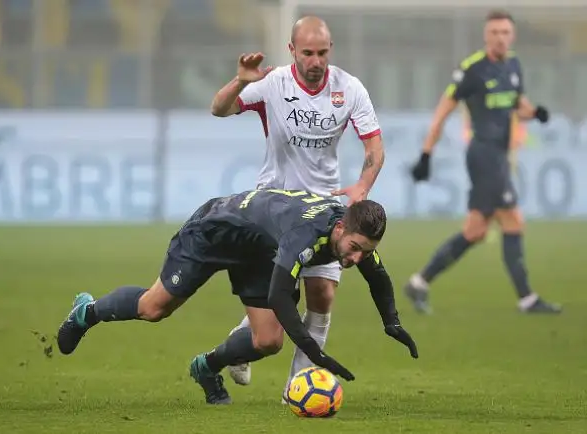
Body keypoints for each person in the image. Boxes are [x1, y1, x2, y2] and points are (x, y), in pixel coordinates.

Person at [56, 188, 418, 404]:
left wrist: (392, 323)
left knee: (268, 341)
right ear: (340, 229)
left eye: (365, 251)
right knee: (154, 308)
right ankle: (87, 311)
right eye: (354, 248)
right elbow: (279, 297)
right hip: (214, 232)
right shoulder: (305, 235)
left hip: (258, 251)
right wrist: (315, 351)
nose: (356, 258)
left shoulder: (349, 231)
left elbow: (378, 275)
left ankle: (206, 367)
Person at [210, 15, 385, 397]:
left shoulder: (349, 88)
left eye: (322, 52)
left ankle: (300, 385)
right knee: (275, 304)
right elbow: (218, 109)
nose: (316, 60)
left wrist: (363, 185)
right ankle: (240, 344)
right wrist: (240, 80)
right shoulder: (273, 83)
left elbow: (374, 145)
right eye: (307, 53)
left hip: (324, 208)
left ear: (330, 50)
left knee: (322, 294)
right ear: (292, 50)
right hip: (273, 209)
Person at [405, 9, 561, 315]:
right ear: (486, 36)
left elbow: (518, 104)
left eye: (505, 32)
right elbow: (441, 113)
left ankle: (419, 282)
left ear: (512, 35)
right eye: (494, 33)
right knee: (513, 220)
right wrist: (426, 154)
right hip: (483, 155)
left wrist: (534, 113)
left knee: (475, 231)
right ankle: (528, 299)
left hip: (499, 156)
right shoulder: (472, 70)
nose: (500, 38)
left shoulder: (513, 66)